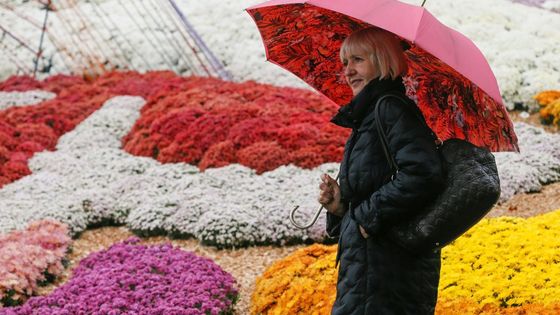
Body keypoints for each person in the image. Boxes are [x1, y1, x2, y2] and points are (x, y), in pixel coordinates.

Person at [318, 27, 444, 315]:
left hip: (388, 268)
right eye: (345, 63)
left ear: (384, 60)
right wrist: (340, 207)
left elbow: (423, 173)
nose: (348, 71)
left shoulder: (390, 109)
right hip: (370, 265)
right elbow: (378, 184)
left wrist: (366, 216)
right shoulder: (370, 114)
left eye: (358, 60)